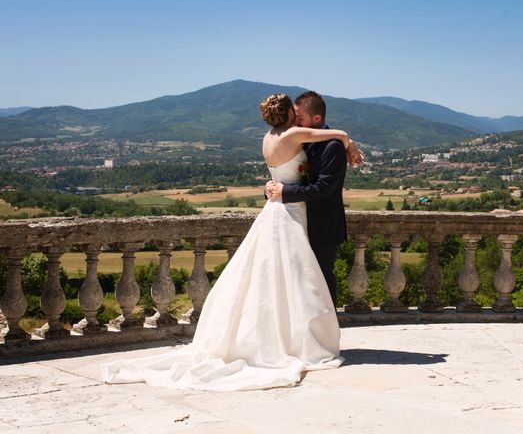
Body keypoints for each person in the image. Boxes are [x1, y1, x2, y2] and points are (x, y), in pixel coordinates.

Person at [100, 93, 362, 392]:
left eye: (303, 115)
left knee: (288, 281)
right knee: (290, 281)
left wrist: (281, 188)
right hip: (288, 214)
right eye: (296, 113)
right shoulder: (297, 134)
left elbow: (310, 181)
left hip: (288, 215)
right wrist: (347, 139)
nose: (299, 118)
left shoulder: (272, 138)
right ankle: (298, 342)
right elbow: (335, 136)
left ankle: (295, 337)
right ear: (289, 113)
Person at [266, 91, 352, 307]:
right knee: (296, 282)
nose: (295, 121)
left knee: (321, 281)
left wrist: (284, 192)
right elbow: (289, 172)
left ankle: (327, 334)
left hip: (322, 225)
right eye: (294, 116)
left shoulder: (332, 147)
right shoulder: (301, 139)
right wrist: (272, 188)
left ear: (316, 119)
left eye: (300, 117)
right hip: (296, 221)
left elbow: (323, 188)